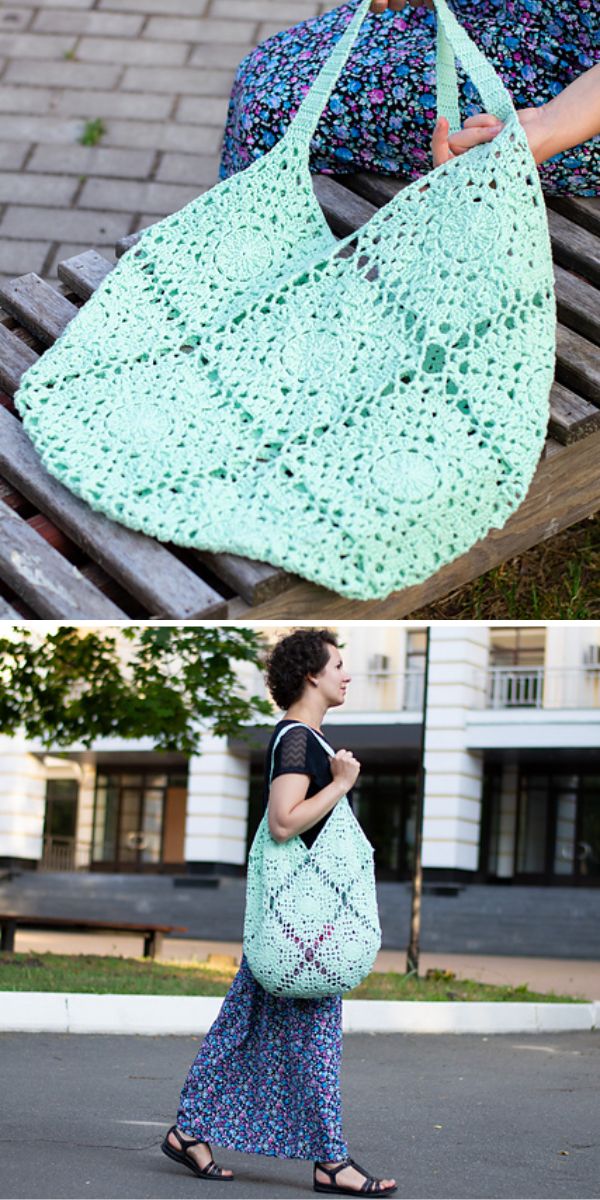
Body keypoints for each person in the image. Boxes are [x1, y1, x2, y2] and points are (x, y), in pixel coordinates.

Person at [161, 628, 397, 1197]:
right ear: (312, 674)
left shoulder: (308, 739)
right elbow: (284, 822)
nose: (347, 674)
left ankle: (188, 1132)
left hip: (293, 925)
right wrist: (341, 785)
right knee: (315, 1041)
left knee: (241, 1029)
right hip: (302, 927)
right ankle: (331, 1162)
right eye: (339, 664)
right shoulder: (297, 740)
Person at [219, 0, 599, 195]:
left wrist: (549, 125)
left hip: (569, 96)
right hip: (509, 13)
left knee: (273, 114)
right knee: (263, 69)